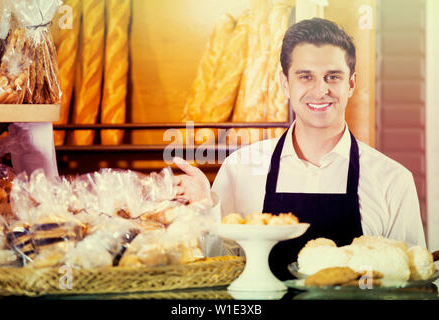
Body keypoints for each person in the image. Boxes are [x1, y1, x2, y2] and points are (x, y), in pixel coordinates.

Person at [173, 18, 426, 280]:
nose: (320, 90)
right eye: (306, 77)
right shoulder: (239, 170)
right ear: (285, 83)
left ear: (351, 84)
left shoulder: (392, 180)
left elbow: (411, 280)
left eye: (333, 77)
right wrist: (205, 208)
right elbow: (219, 271)